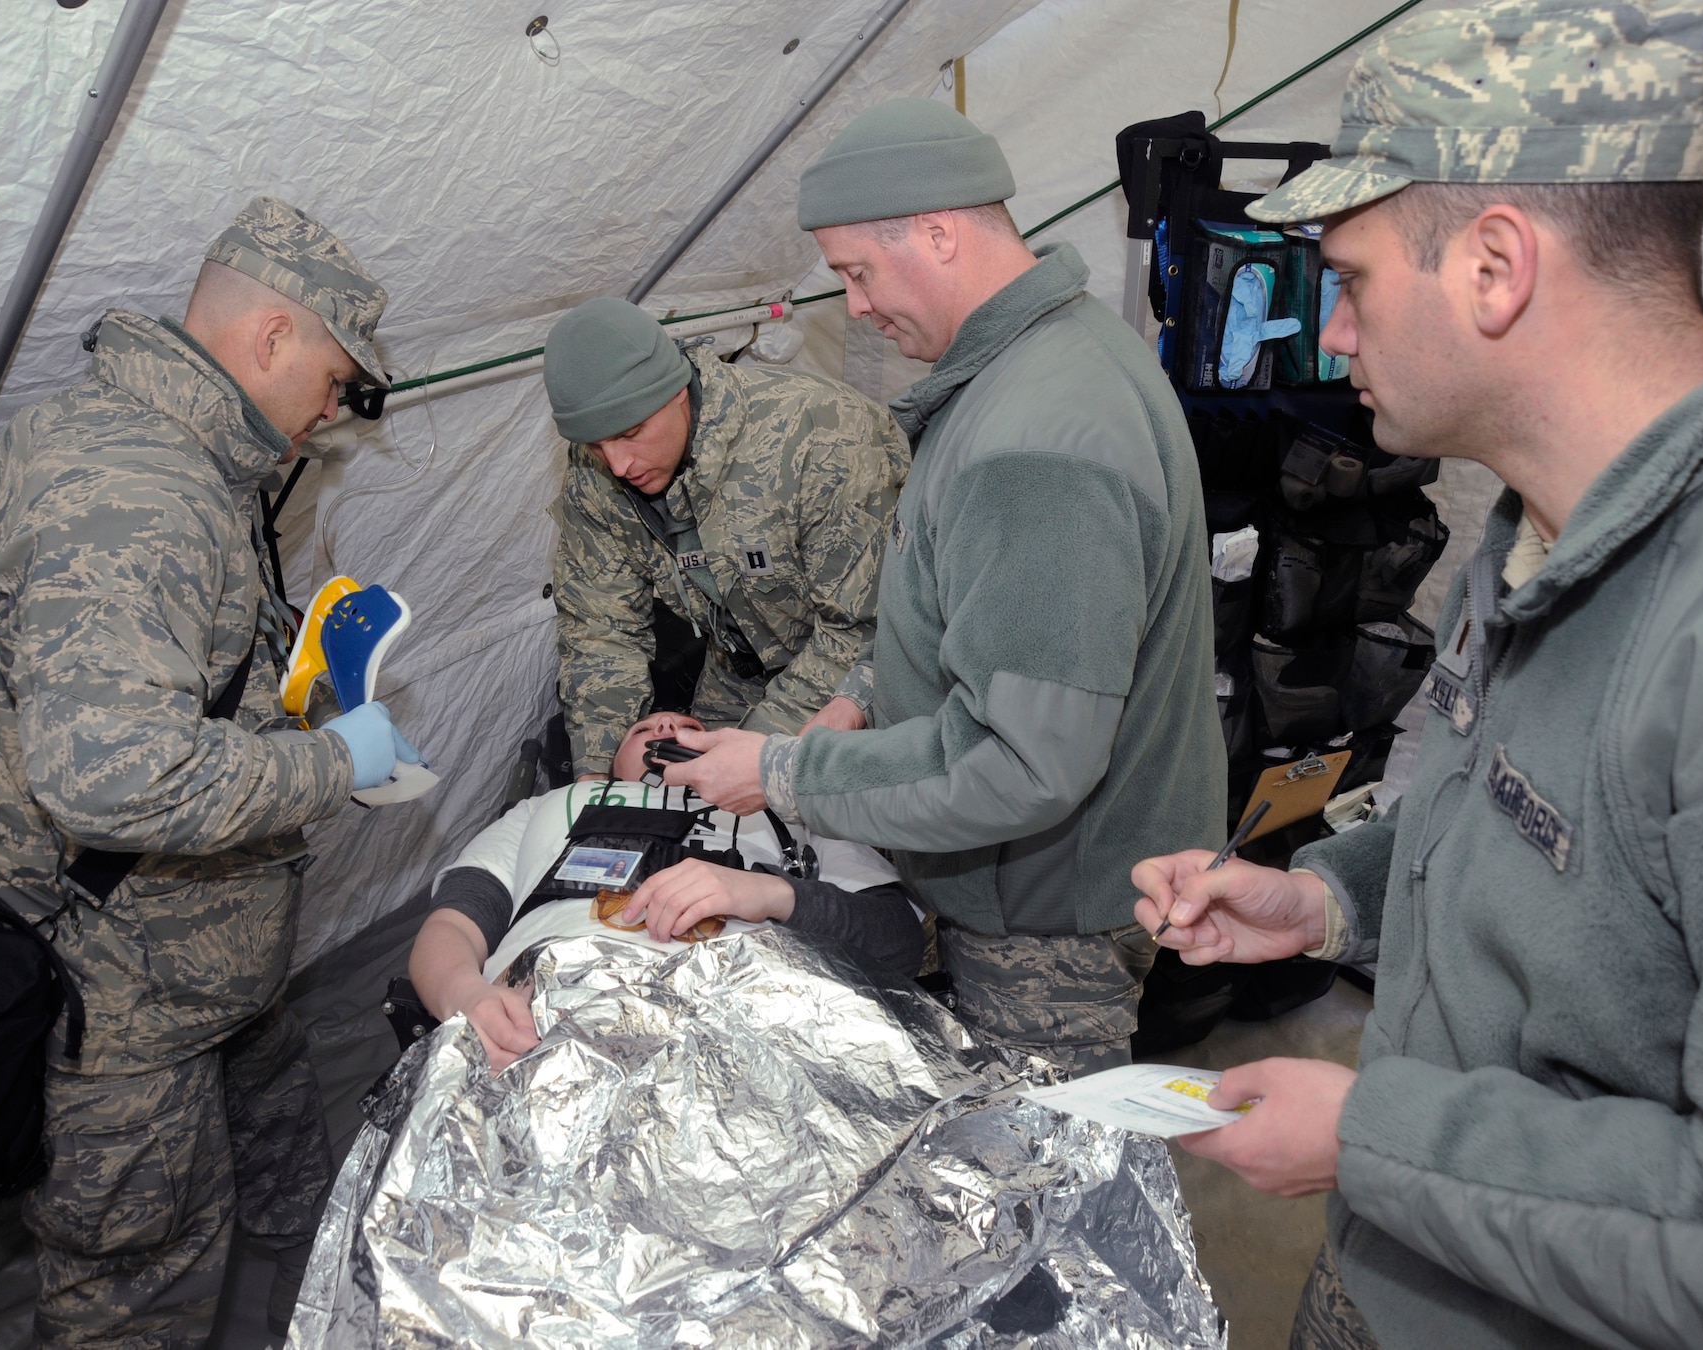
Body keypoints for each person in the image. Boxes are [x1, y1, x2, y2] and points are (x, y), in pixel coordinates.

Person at [1129, 5, 1703, 1348]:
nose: (1336, 333)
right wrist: (1327, 899)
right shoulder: (1556, 517)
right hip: (1405, 1261)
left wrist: (1374, 1133)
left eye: (1351, 279)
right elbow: (1526, 815)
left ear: (1493, 267)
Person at [0, 197, 423, 1348]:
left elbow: (171, 675)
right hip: (118, 992)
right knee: (139, 1289)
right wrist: (327, 764)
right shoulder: (138, 491)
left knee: (282, 1152)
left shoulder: (177, 454)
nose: (332, 413)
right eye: (336, 381)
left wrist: (293, 690)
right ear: (272, 342)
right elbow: (112, 776)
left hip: (203, 953)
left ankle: (327, 1302)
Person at [660, 99, 1226, 1076]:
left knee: (1046, 1188)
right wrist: (859, 695)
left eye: (856, 273)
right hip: (1039, 879)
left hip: (1051, 917)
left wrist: (782, 773)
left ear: (936, 231)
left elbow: (1021, 763)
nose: (857, 307)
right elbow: (975, 608)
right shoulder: (1049, 361)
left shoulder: (1036, 440)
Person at [409, 712, 925, 1067]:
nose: (665, 727)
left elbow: (899, 940)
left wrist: (770, 893)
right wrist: (464, 994)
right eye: (644, 728)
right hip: (546, 1007)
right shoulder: (552, 805)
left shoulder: (789, 809)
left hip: (756, 1005)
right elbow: (453, 924)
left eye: (688, 726)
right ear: (613, 763)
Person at [543, 296, 909, 778]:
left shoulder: (823, 438)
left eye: (632, 432)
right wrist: (595, 775)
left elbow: (863, 628)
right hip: (735, 673)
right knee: (691, 822)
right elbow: (600, 629)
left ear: (676, 392)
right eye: (596, 444)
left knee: (832, 836)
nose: (618, 465)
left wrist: (752, 758)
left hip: (857, 679)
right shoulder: (596, 477)